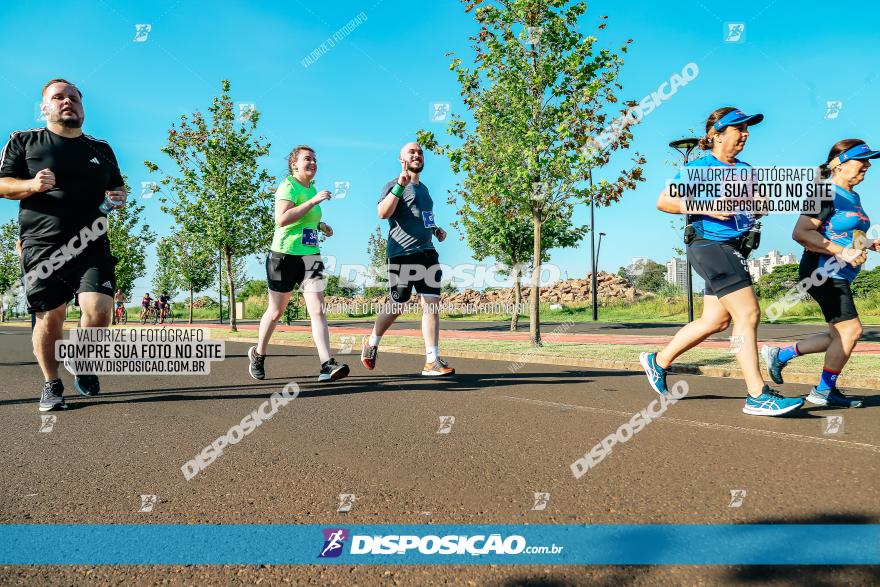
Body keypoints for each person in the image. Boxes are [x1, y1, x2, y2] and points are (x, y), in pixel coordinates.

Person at [641, 107, 803, 416]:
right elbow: (664, 201)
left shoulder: (745, 169)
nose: (746, 133)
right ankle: (757, 394)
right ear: (717, 135)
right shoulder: (700, 167)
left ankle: (658, 361)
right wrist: (708, 205)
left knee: (715, 321)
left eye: (747, 129)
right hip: (709, 245)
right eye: (739, 128)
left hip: (733, 247)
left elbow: (759, 204)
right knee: (748, 313)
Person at [0, 79, 125, 411]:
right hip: (43, 245)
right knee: (50, 317)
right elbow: (2, 184)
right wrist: (31, 184)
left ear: (82, 107)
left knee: (99, 311)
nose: (67, 101)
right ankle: (51, 384)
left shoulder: (101, 148)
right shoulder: (23, 141)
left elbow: (118, 187)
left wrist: (117, 197)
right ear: (44, 108)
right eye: (58, 97)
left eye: (74, 97)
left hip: (91, 242)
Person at [762, 140, 880, 408]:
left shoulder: (853, 196)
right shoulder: (824, 192)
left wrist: (867, 245)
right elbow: (802, 232)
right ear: (839, 164)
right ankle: (824, 391)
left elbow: (849, 232)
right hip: (822, 270)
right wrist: (841, 251)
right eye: (863, 159)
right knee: (851, 331)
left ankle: (780, 354)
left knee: (837, 335)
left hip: (841, 273)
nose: (869, 165)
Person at [247, 145, 349, 382]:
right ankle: (258, 354)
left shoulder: (311, 187)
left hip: (310, 256)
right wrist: (313, 202)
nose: (313, 162)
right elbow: (282, 219)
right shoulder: (289, 186)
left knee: (317, 310)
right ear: (294, 165)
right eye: (307, 159)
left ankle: (326, 364)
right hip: (283, 256)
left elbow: (304, 220)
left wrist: (321, 226)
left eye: (314, 159)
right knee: (276, 312)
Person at [360, 142, 454, 377]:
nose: (417, 155)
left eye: (420, 152)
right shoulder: (393, 184)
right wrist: (400, 188)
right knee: (397, 306)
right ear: (401, 159)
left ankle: (431, 361)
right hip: (401, 253)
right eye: (411, 152)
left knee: (431, 304)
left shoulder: (425, 189)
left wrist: (435, 229)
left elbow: (424, 217)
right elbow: (383, 213)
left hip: (427, 253)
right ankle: (372, 342)